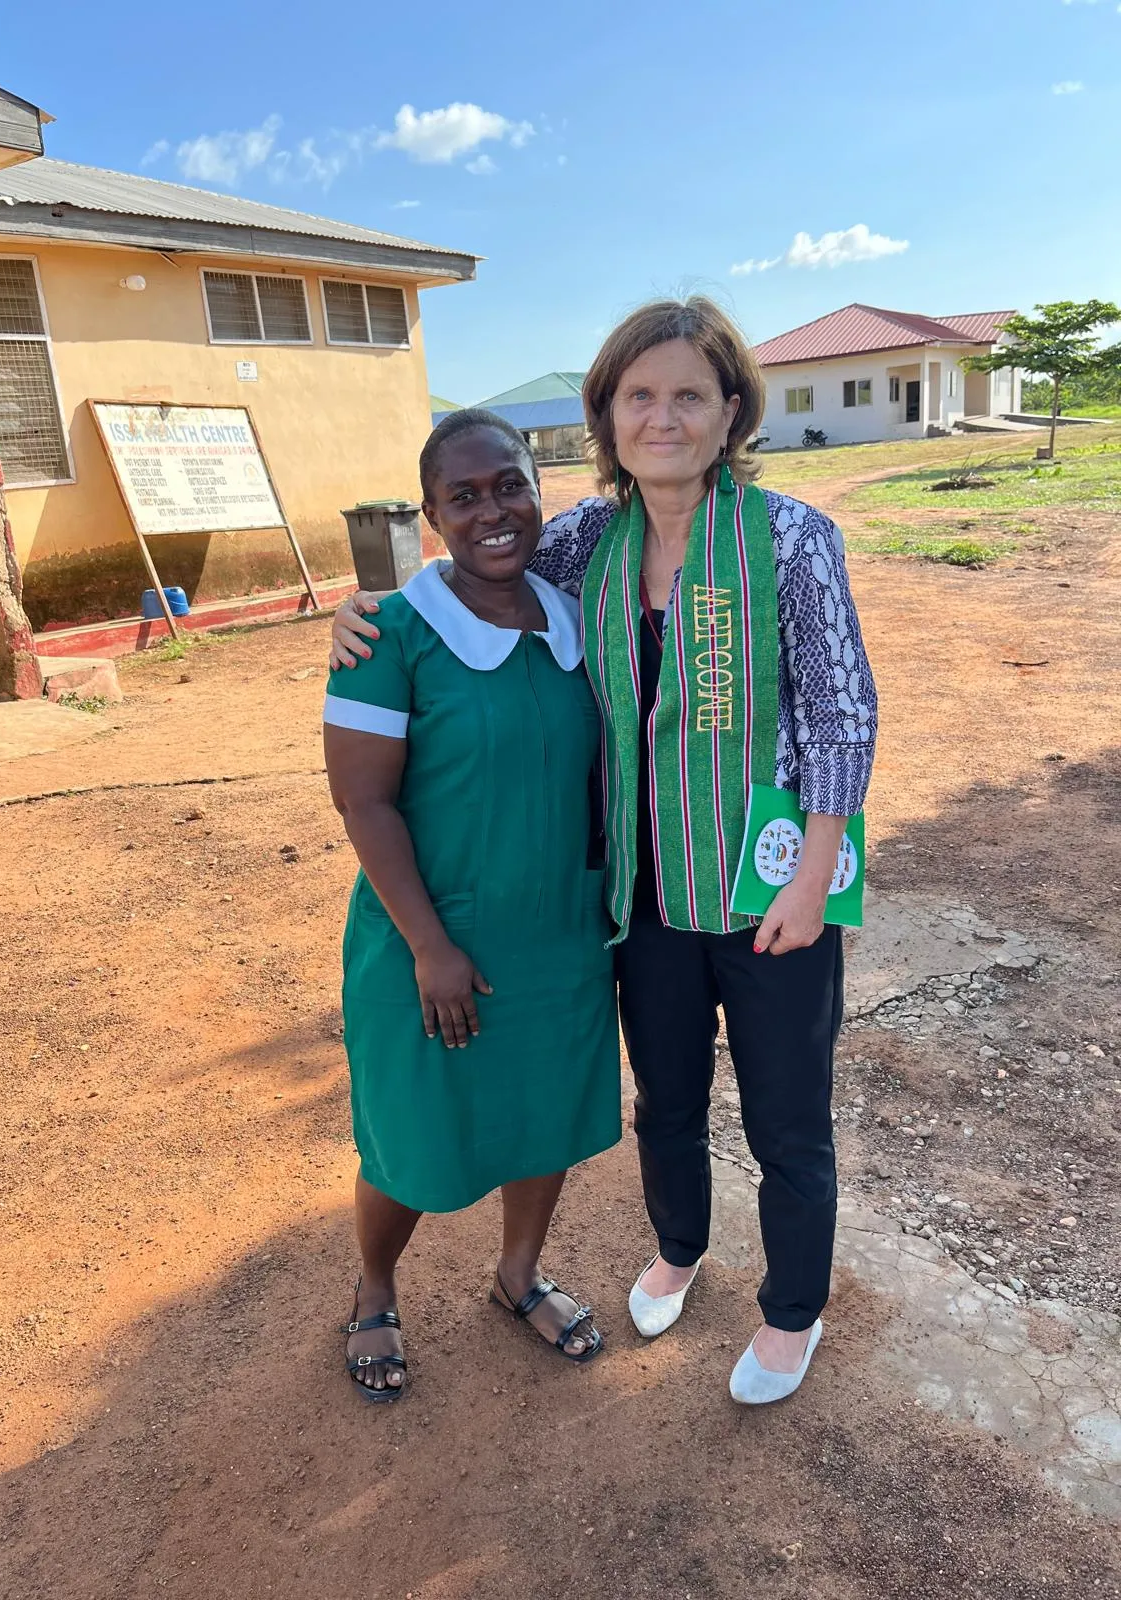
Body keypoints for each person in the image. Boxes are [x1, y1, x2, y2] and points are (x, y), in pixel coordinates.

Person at [331, 298, 877, 1405]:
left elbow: (842, 714)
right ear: (607, 416)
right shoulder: (587, 541)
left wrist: (816, 875)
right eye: (640, 396)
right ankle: (677, 1247)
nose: (662, 416)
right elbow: (466, 578)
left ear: (731, 413)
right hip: (643, 893)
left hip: (772, 884)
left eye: (688, 395)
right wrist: (361, 612)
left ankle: (789, 1311)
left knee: (785, 1117)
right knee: (665, 1101)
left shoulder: (791, 539)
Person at [324, 409, 621, 1402]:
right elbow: (362, 799)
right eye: (466, 495)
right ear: (433, 513)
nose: (493, 510)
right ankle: (374, 1286)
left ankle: (517, 1274)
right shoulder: (391, 633)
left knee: (546, 1118)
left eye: (509, 484)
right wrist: (428, 944)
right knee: (410, 1137)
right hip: (429, 939)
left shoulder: (576, 611)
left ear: (540, 486)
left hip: (557, 933)